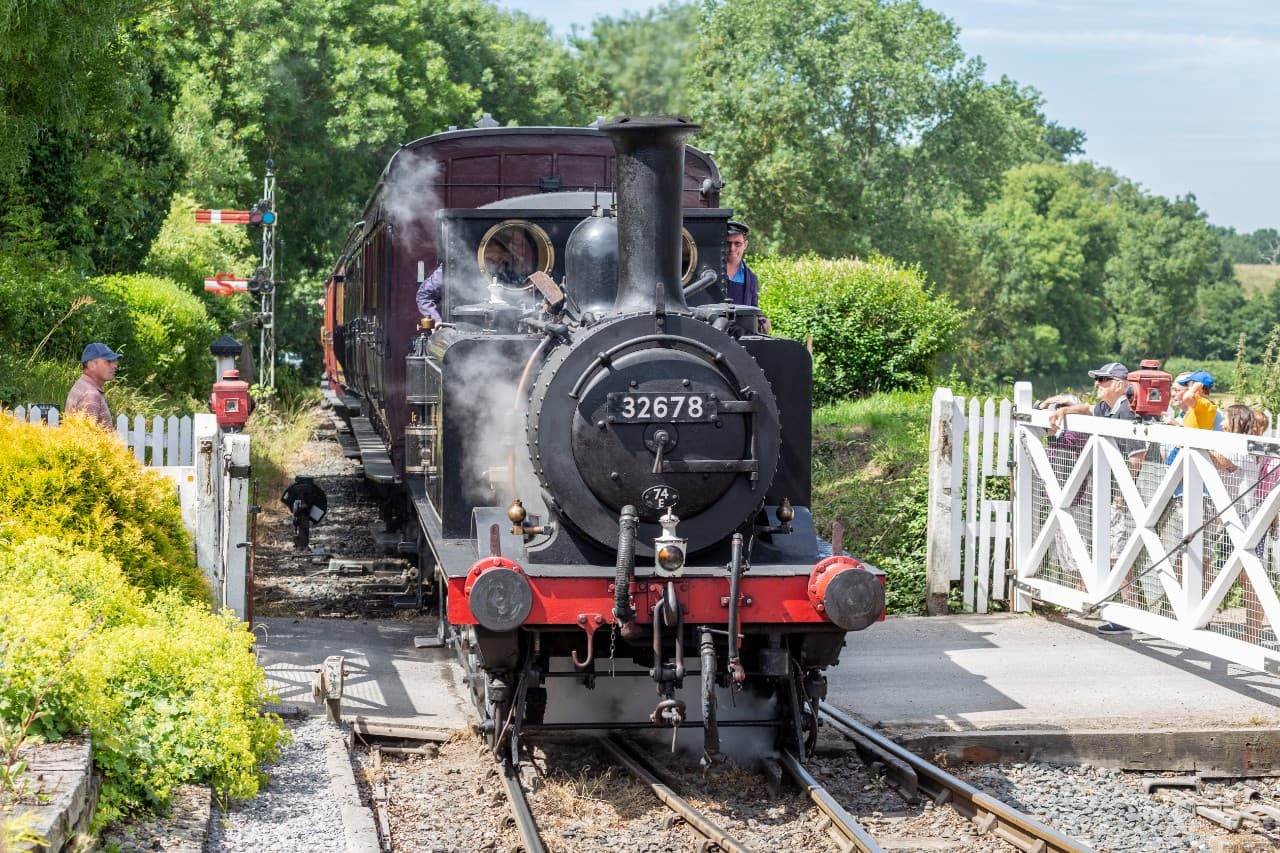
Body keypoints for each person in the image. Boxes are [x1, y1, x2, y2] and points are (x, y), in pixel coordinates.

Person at [1048, 362, 1145, 633]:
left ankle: (1128, 614)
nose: (1097, 384)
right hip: (1110, 492)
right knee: (1112, 551)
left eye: (1103, 380)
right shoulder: (1107, 408)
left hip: (1123, 494)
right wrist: (1067, 409)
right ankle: (1118, 609)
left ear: (1119, 384)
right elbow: (1089, 409)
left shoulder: (1127, 412)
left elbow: (1138, 455)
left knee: (1118, 554)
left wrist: (1123, 492)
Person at [65, 342, 120, 429]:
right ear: (92, 365)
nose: (115, 365)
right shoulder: (91, 395)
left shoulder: (82, 385)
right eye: (108, 361)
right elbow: (88, 437)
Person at [724, 221, 759, 307]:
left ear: (745, 245)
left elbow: (753, 309)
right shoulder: (711, 272)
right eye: (728, 243)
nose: (732, 248)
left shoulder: (752, 278)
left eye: (737, 244)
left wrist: (762, 318)